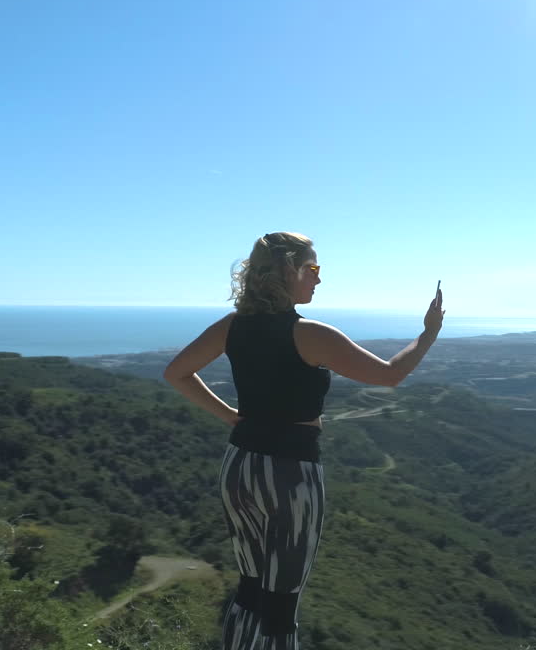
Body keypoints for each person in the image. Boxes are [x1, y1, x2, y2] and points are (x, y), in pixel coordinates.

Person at [164, 231, 445, 650]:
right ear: (288, 270)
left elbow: (176, 373)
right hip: (290, 474)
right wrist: (428, 335)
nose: (318, 278)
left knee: (251, 589)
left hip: (239, 466)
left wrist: (231, 417)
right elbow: (389, 375)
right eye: (312, 268)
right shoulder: (310, 334)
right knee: (281, 604)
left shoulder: (232, 326)